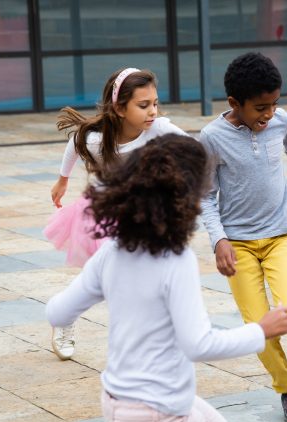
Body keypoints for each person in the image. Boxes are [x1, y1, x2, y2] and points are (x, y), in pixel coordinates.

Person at [46, 134, 287, 422]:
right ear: (187, 200)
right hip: (159, 414)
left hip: (117, 404)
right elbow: (198, 343)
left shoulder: (113, 251)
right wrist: (261, 330)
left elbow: (57, 311)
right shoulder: (175, 261)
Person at [199, 52, 287, 422]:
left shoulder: (280, 120)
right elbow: (205, 195)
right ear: (234, 103)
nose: (269, 114)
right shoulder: (212, 138)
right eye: (260, 108)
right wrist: (219, 240)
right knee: (259, 326)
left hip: (278, 236)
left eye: (274, 104)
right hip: (238, 244)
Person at [45, 67, 188, 361]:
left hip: (140, 215)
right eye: (143, 105)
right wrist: (62, 180)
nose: (153, 111)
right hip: (102, 213)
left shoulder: (159, 128)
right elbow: (74, 144)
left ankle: (147, 337)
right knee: (103, 277)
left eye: (155, 103)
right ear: (120, 109)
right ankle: (64, 316)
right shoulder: (97, 140)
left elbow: (195, 149)